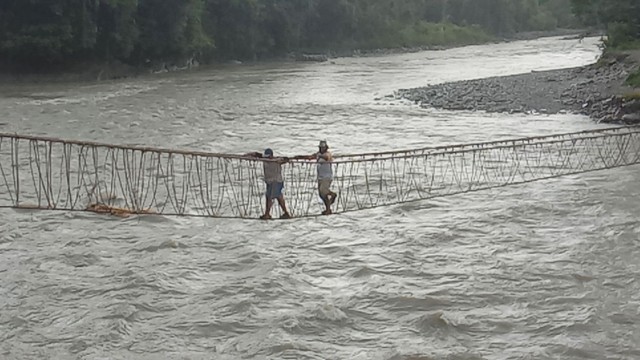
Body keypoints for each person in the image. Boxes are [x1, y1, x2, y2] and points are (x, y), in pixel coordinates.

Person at [245, 148, 292, 220]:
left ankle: (267, 214)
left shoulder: (277, 161)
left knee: (270, 197)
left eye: (268, 157)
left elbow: (286, 159)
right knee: (278, 197)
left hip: (276, 181)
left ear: (271, 156)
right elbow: (256, 154)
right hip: (270, 182)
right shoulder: (264, 159)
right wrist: (248, 155)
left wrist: (283, 159)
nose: (267, 158)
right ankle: (285, 213)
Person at [296, 140, 337, 215]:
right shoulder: (318, 154)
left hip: (327, 177)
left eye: (323, 148)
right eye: (320, 147)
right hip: (320, 177)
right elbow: (310, 157)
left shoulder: (328, 154)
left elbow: (326, 157)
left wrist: (318, 155)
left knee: (323, 191)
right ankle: (328, 209)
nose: (321, 149)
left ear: (326, 148)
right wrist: (300, 157)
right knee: (321, 194)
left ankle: (333, 195)